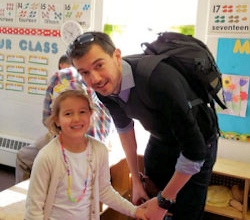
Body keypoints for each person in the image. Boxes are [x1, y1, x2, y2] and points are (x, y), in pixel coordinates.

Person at [66, 31, 219, 220]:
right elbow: (124, 129)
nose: (95, 79)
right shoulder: (103, 89)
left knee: (185, 211)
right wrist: (136, 182)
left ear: (116, 56)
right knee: (148, 201)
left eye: (99, 65)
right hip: (161, 138)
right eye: (84, 72)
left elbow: (194, 152)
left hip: (199, 141)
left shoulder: (158, 80)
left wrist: (164, 202)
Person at [25, 70, 147, 220]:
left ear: (90, 114)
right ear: (56, 119)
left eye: (82, 111)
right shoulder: (46, 157)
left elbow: (104, 191)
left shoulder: (99, 150)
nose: (76, 119)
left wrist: (134, 211)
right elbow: (34, 209)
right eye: (68, 114)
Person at [15, 56, 109, 184]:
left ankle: (29, 195)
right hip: (100, 141)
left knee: (24, 156)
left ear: (62, 65)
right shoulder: (102, 77)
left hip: (74, 140)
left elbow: (47, 119)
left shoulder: (60, 76)